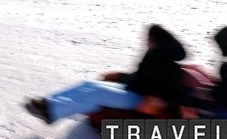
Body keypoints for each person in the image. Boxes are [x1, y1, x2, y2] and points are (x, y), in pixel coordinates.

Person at [26, 24, 186, 124]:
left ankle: (52, 112)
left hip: (141, 99)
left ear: (158, 43)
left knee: (96, 94)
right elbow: (140, 77)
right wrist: (119, 76)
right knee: (88, 84)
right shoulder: (152, 56)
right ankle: (49, 103)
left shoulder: (171, 68)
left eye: (150, 40)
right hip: (131, 89)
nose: (147, 42)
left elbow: (176, 96)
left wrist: (163, 102)